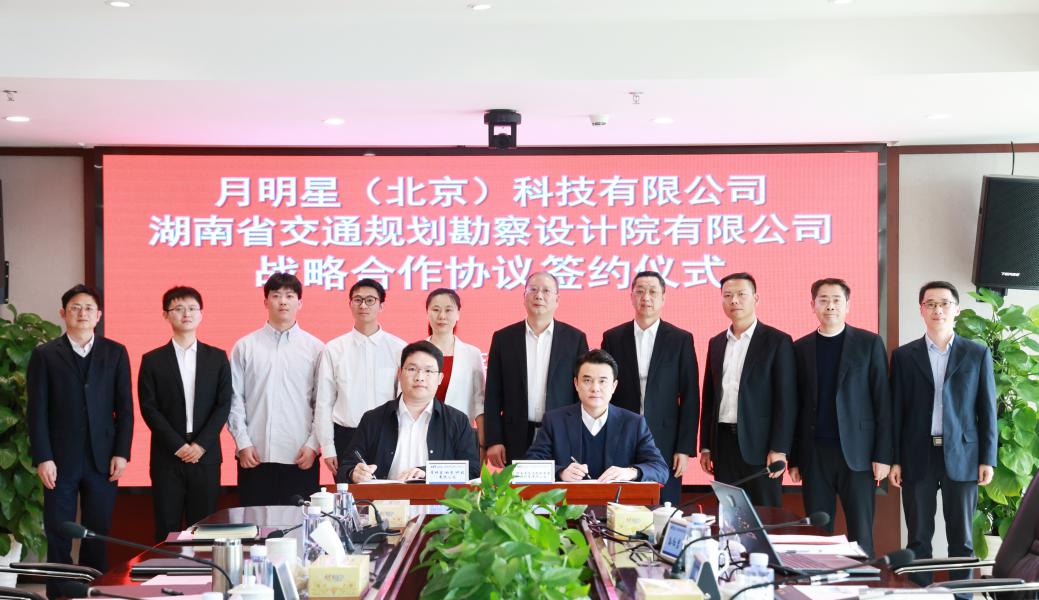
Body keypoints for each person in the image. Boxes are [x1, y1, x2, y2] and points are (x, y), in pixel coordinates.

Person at [27, 284, 133, 598]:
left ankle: (93, 590)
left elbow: (125, 408)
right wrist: (43, 456)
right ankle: (60, 593)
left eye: (88, 308)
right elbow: (37, 410)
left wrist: (122, 452)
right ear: (63, 313)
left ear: (98, 315)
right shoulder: (45, 354)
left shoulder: (115, 352)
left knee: (97, 531)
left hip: (103, 458)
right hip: (59, 459)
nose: (82, 313)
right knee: (58, 530)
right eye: (75, 307)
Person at [889, 281, 996, 588]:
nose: (938, 310)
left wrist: (987, 458)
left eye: (945, 303)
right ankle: (919, 592)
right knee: (918, 537)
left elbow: (987, 410)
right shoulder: (904, 356)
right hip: (917, 454)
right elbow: (896, 412)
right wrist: (895, 459)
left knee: (961, 538)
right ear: (921, 310)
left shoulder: (976, 353)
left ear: (956, 309)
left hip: (963, 455)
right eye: (931, 304)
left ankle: (961, 594)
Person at [788, 278, 891, 557]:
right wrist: (795, 458)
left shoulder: (869, 343)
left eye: (836, 300)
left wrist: (883, 455)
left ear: (848, 305)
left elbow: (883, 402)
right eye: (823, 300)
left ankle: (864, 581)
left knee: (861, 534)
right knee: (818, 533)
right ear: (812, 305)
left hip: (858, 454)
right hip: (815, 454)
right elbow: (795, 406)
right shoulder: (800, 348)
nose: (830, 306)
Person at [138, 286, 232, 542]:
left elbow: (223, 404)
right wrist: (178, 446)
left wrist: (201, 445)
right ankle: (167, 569)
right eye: (178, 308)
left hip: (206, 456)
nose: (186, 314)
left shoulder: (217, 358)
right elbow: (149, 407)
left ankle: (201, 570)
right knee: (167, 529)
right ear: (166, 315)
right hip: (167, 457)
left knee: (204, 529)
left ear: (201, 314)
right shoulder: (152, 360)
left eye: (192, 308)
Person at [699, 272, 796, 507]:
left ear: (756, 298)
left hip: (761, 447)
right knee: (729, 514)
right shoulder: (716, 342)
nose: (734, 300)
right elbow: (710, 398)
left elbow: (787, 400)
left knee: (766, 514)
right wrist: (706, 446)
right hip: (723, 445)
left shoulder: (777, 341)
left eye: (741, 294)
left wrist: (779, 448)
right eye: (727, 295)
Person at [601, 271, 699, 504]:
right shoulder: (613, 337)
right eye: (640, 291)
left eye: (653, 292)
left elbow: (690, 396)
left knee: (663, 505)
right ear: (631, 296)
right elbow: (604, 391)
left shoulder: (680, 339)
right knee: (621, 506)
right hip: (620, 436)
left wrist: (684, 448)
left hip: (666, 440)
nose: (646, 297)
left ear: (663, 297)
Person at [228, 272, 324, 505]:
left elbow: (322, 403)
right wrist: (243, 442)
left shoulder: (315, 348)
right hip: (254, 455)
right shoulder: (245, 346)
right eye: (276, 295)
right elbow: (234, 399)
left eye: (289, 296)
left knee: (300, 522)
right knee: (255, 522)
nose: (283, 301)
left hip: (301, 456)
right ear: (265, 301)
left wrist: (313, 445)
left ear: (299, 303)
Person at [483, 272, 589, 468]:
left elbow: (581, 391)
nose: (539, 295)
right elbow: (493, 394)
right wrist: (494, 439)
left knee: (560, 485)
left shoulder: (575, 339)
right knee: (518, 487)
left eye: (546, 291)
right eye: (533, 290)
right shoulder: (504, 338)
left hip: (562, 433)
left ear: (557, 299)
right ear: (523, 297)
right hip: (515, 435)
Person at [338, 341, 480, 482]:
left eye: (428, 371)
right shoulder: (373, 419)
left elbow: (472, 471)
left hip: (437, 497)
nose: (420, 377)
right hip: (384, 497)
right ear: (399, 374)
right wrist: (353, 473)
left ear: (439, 378)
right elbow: (346, 467)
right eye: (412, 369)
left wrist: (428, 473)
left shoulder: (457, 421)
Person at [525, 349, 668, 484]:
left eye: (602, 381)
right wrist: (560, 472)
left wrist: (631, 472)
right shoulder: (554, 421)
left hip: (617, 501)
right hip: (567, 500)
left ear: (614, 386)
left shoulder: (634, 423)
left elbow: (660, 469)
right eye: (587, 380)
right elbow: (530, 465)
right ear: (576, 384)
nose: (595, 388)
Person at [314, 278, 405, 479]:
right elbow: (324, 402)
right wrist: (328, 447)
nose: (363, 305)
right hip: (346, 436)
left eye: (370, 300)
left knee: (389, 494)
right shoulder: (334, 349)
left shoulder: (399, 348)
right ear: (350, 304)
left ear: (381, 305)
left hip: (387, 435)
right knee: (347, 496)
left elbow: (403, 400)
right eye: (358, 300)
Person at [425, 288, 484, 447]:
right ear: (427, 313)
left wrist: (483, 443)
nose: (442, 316)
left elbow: (479, 403)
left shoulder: (472, 354)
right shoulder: (415, 353)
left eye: (448, 310)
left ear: (458, 314)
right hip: (420, 434)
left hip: (460, 435)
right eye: (436, 310)